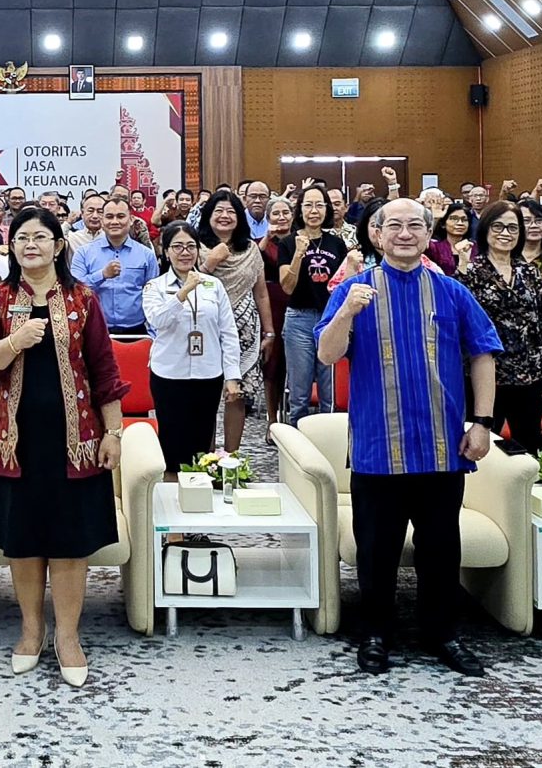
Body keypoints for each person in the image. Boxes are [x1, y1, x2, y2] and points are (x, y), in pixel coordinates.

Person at [315, 199, 502, 677]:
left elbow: (483, 353)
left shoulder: (451, 290)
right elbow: (326, 354)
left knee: (441, 549)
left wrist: (483, 422)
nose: (404, 233)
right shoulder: (354, 289)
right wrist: (346, 313)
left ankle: (443, 634)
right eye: (393, 225)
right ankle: (376, 634)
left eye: (415, 225)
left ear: (428, 234)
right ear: (376, 235)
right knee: (376, 550)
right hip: (378, 446)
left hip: (442, 445)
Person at [0, 206, 127, 688]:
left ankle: (69, 636)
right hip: (16, 443)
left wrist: (114, 432)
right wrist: (14, 341)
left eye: (40, 237)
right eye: (21, 238)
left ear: (58, 246)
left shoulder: (83, 299)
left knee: (71, 542)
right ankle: (31, 630)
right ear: (10, 247)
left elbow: (105, 370)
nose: (30, 245)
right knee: (25, 542)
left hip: (76, 441)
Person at [457, 203, 542, 453]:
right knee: (483, 446)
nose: (505, 233)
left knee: (530, 445)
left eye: (512, 228)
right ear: (485, 230)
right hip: (486, 374)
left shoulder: (530, 272)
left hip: (530, 374)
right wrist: (462, 265)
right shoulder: (472, 270)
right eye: (498, 226)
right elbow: (458, 314)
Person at [141, 223, 240, 471]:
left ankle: (198, 487)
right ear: (166, 251)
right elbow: (158, 321)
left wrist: (232, 376)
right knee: (172, 441)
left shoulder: (213, 285)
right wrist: (183, 292)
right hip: (169, 373)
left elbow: (228, 331)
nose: (185, 252)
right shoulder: (155, 287)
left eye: (190, 246)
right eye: (177, 247)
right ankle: (171, 487)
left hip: (208, 373)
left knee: (201, 440)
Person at [195, 192, 271, 455]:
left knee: (237, 393)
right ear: (208, 215)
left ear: (239, 217)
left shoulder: (250, 249)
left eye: (231, 211)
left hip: (245, 332)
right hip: (205, 329)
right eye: (219, 211)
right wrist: (211, 262)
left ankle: (231, 458)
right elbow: (187, 285)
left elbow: (261, 293)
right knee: (205, 396)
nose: (225, 216)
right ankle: (205, 459)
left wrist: (270, 332)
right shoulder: (195, 246)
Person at [270, 184, 349, 422]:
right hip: (299, 319)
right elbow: (287, 286)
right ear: (300, 210)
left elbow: (342, 285)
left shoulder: (336, 244)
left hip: (329, 320)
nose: (314, 211)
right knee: (299, 391)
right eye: (308, 205)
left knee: (328, 391)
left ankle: (327, 439)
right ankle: (296, 439)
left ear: (327, 209)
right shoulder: (287, 243)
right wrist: (298, 254)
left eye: (319, 205)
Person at [70, 196, 157, 336]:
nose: (115, 222)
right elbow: (75, 290)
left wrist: (152, 334)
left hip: (136, 331)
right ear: (102, 220)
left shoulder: (146, 255)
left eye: (121, 216)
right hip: (95, 330)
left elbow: (153, 296)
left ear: (131, 219)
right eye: (109, 217)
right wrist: (102, 275)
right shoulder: (84, 253)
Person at [425, 202, 477, 274]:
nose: (460, 223)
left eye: (464, 219)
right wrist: (435, 219)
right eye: (454, 219)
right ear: (443, 224)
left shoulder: (475, 247)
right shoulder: (434, 247)